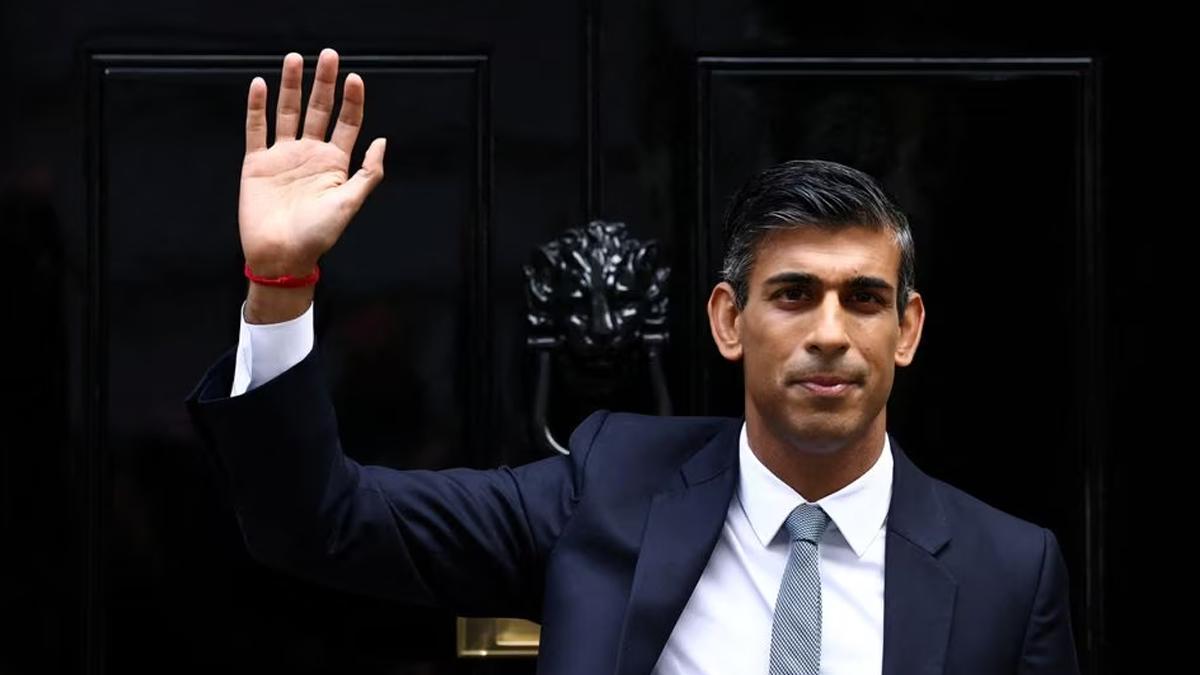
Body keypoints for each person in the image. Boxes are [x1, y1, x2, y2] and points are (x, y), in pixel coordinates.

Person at [186, 48, 1081, 675]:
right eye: (794, 294)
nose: (831, 332)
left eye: (865, 298)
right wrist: (280, 283)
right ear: (729, 320)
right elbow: (319, 520)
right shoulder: (609, 488)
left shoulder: (1009, 570)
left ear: (908, 329)